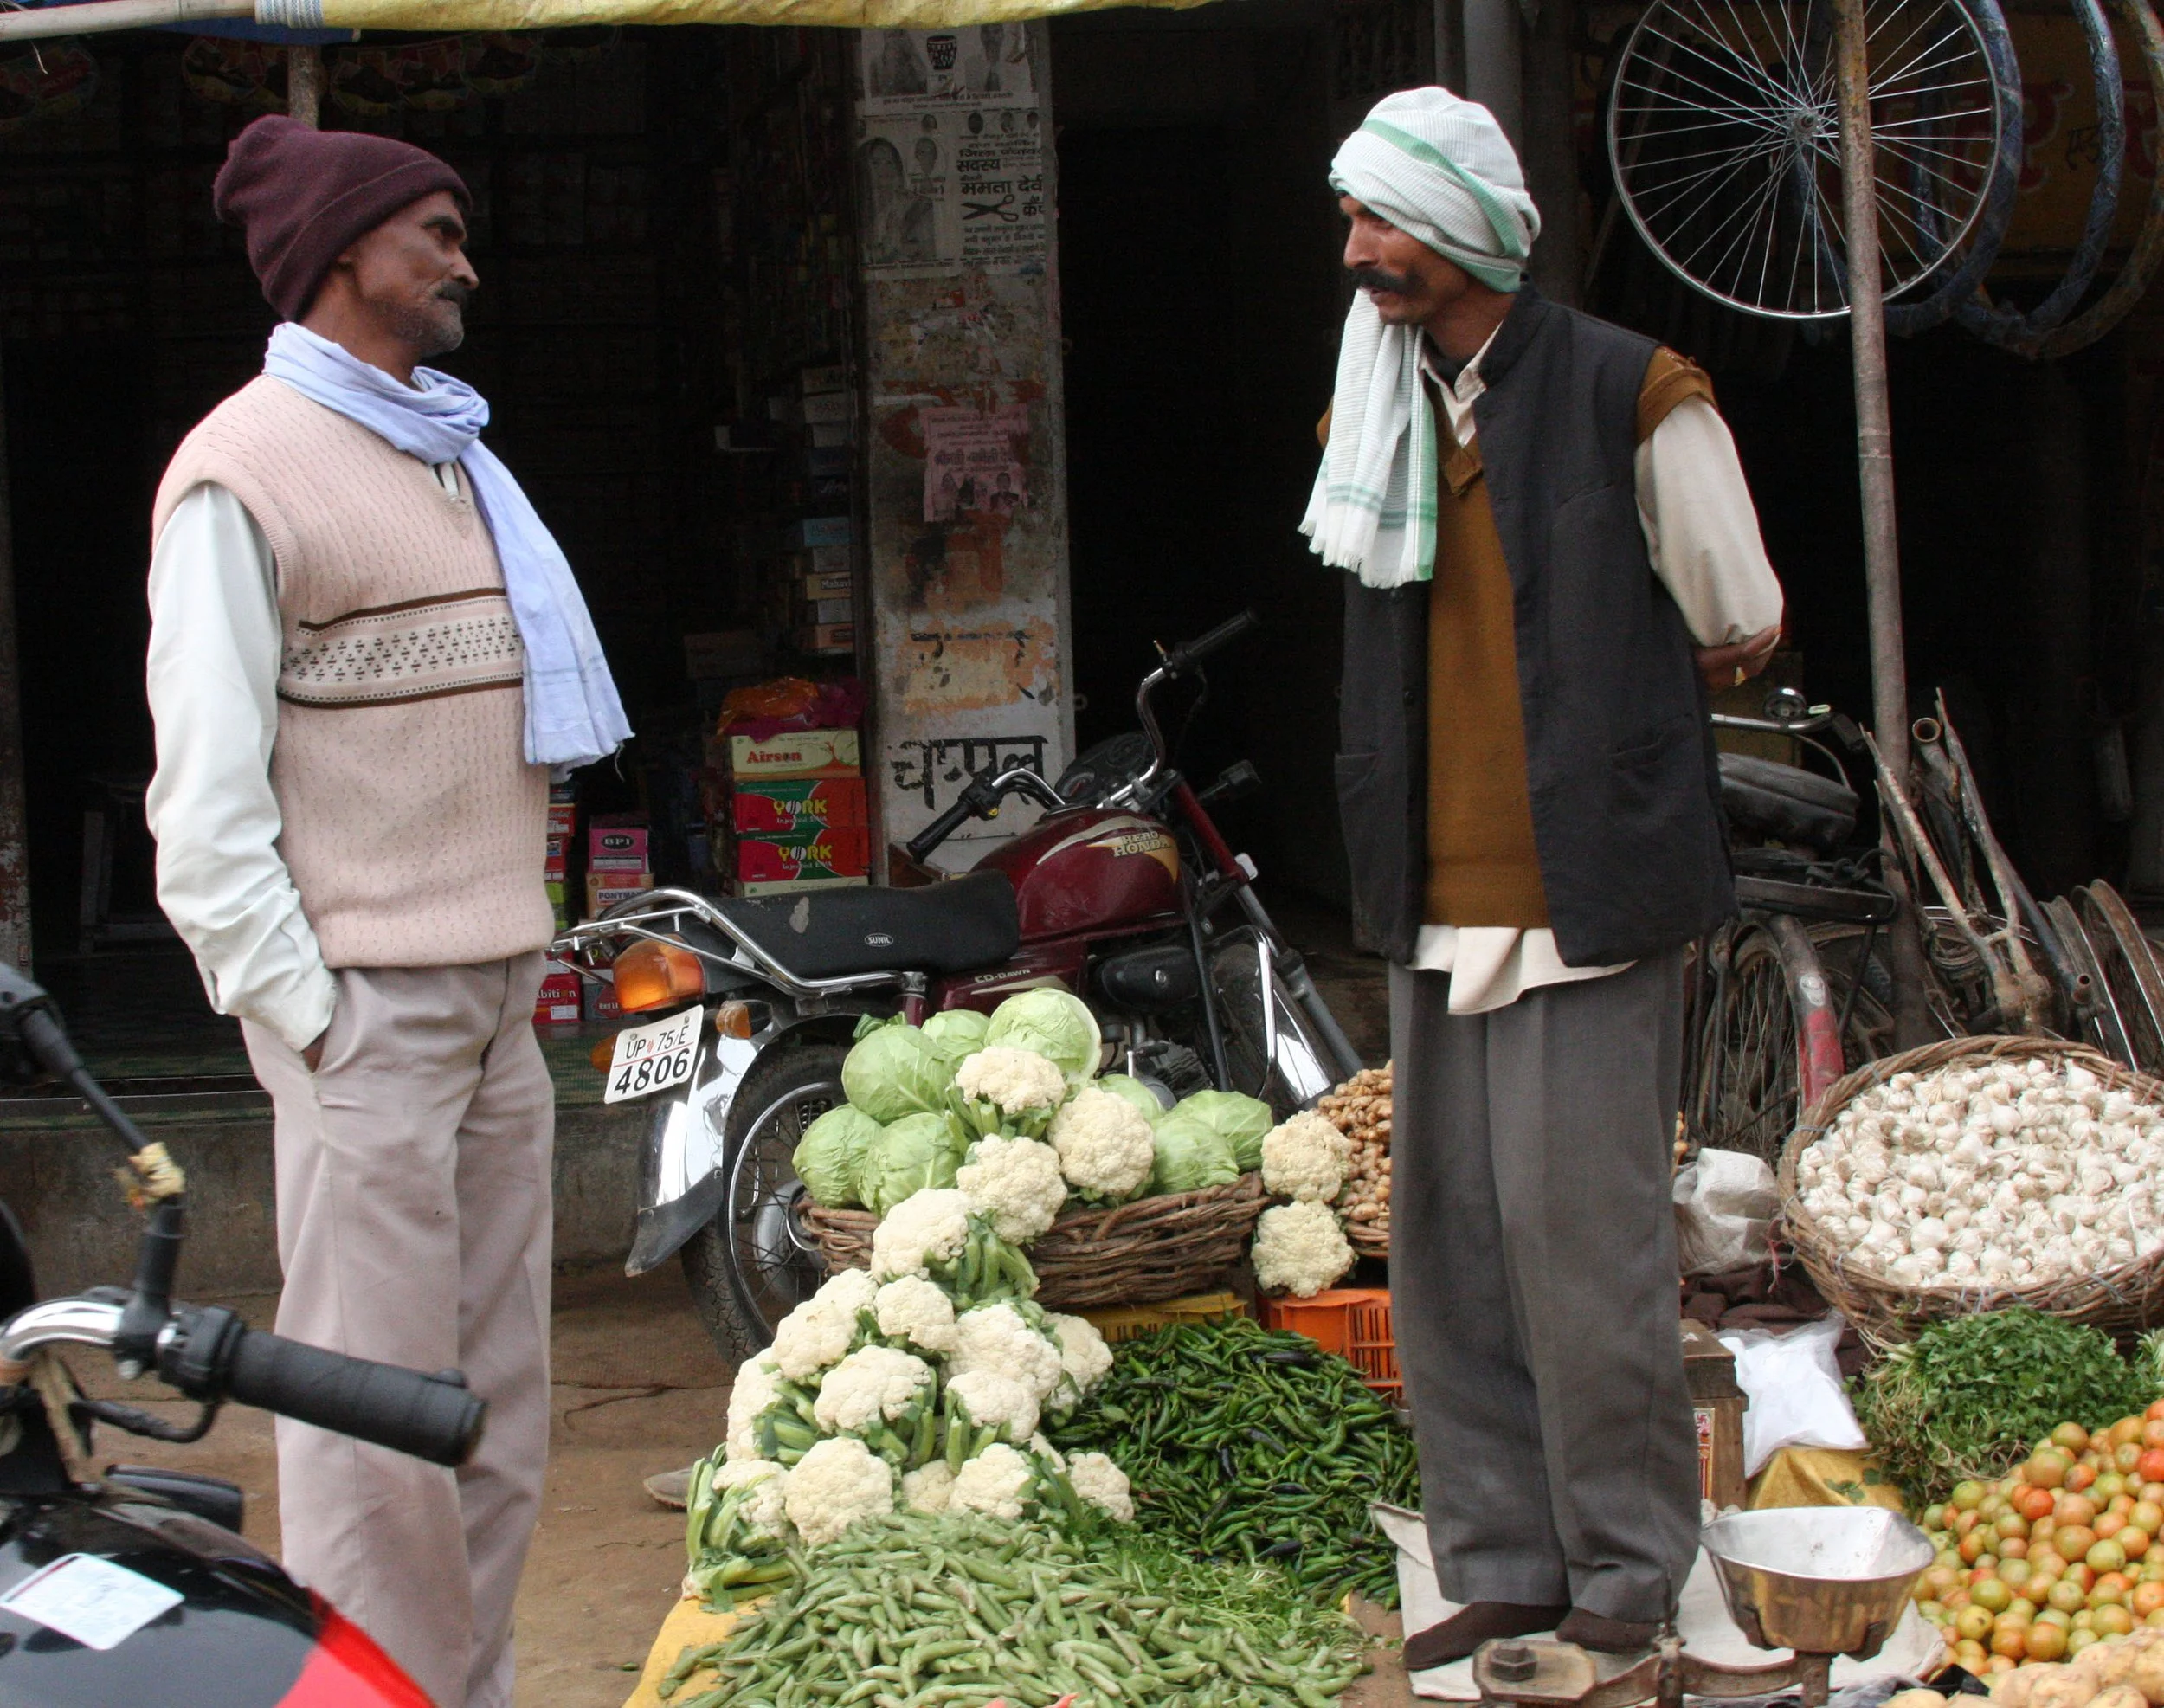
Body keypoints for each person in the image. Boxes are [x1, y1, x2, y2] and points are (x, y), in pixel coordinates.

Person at [143, 115, 629, 1708]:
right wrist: (311, 1009)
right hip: (370, 1010)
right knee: (364, 1423)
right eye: (436, 230)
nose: (462, 260)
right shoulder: (241, 471)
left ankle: (459, 1690)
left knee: (492, 1400)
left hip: (495, 995)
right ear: (348, 254)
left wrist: (512, 964)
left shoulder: (445, 448)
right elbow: (203, 810)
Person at [1305, 88, 1783, 1671]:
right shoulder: (1375, 411)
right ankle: (1500, 1553)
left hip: (1583, 892)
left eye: (1381, 221)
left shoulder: (1628, 389)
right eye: (1355, 220)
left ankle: (1629, 1575)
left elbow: (1736, 613)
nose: (1358, 251)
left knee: (1588, 1258)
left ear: (1459, 231)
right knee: (1448, 1254)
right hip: (1429, 888)